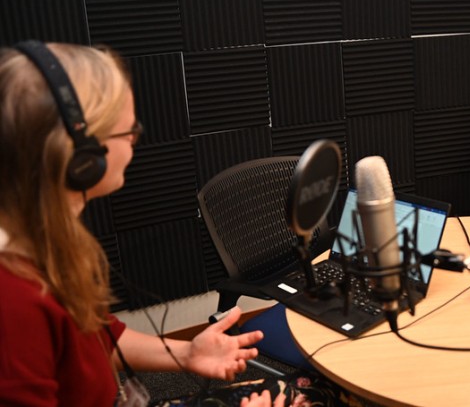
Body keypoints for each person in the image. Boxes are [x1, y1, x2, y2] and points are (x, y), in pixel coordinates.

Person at [0, 42, 283, 407]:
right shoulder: (12, 303)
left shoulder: (42, 239)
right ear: (82, 158)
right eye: (127, 131)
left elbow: (98, 336)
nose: (135, 139)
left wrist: (187, 353)